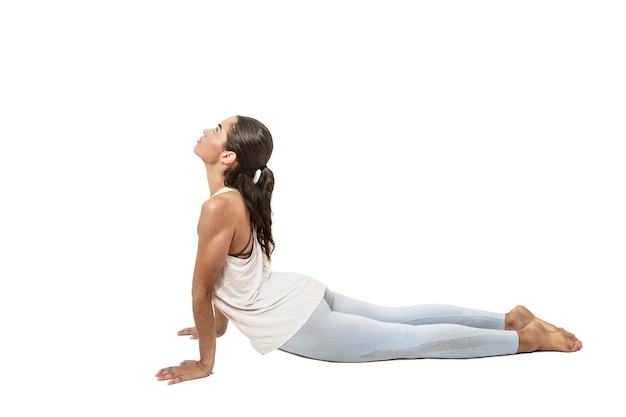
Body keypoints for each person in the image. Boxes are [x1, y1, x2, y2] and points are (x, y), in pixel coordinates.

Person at [155, 115, 582, 385]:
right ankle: (509, 319)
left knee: (409, 340)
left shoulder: (217, 206)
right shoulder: (235, 197)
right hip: (299, 295)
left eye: (216, 129)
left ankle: (525, 339)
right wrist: (220, 327)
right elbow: (235, 281)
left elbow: (202, 291)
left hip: (296, 322)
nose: (206, 129)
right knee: (400, 317)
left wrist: (205, 363)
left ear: (227, 155)